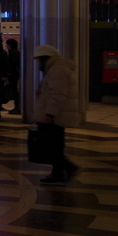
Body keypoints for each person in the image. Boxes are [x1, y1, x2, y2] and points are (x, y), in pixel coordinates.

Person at [32, 45, 80, 186]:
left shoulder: (57, 70)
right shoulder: (56, 69)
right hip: (58, 114)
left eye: (39, 59)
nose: (38, 63)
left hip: (55, 116)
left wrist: (50, 113)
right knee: (56, 145)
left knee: (49, 145)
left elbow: (57, 94)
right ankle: (57, 173)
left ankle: (69, 167)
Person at [6, 38, 22, 115]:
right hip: (14, 74)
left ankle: (17, 107)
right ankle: (17, 107)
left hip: (13, 74)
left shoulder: (14, 53)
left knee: (14, 91)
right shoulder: (15, 52)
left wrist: (9, 73)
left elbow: (13, 64)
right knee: (14, 90)